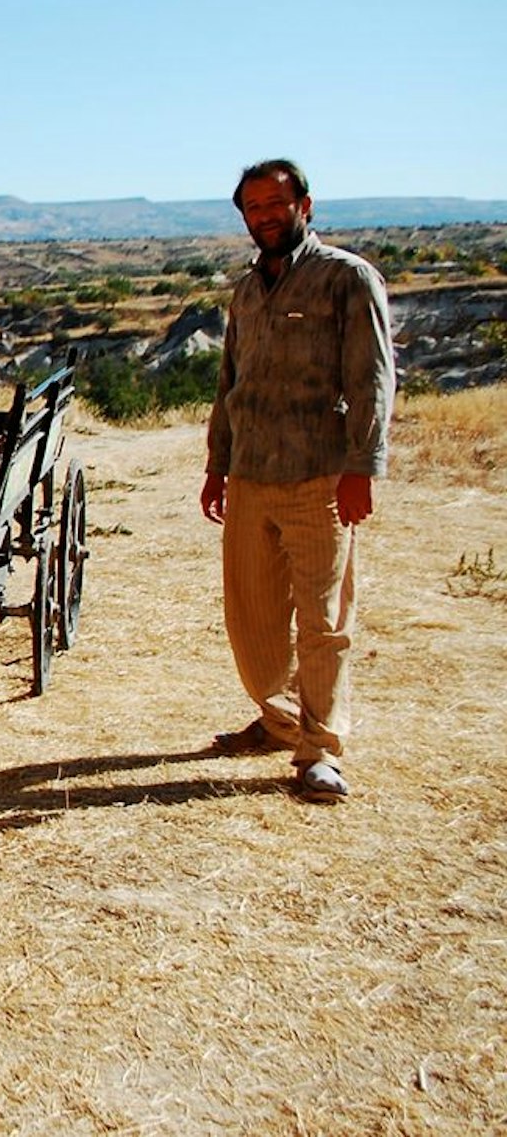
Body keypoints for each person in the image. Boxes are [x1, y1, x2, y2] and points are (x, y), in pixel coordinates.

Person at [200, 158, 394, 804]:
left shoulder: (345, 278)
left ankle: (320, 751)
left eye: (275, 204)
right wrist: (215, 466)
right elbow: (230, 383)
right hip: (251, 472)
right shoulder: (247, 291)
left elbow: (370, 379)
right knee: (251, 620)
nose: (265, 216)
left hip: (319, 474)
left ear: (304, 206)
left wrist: (361, 468)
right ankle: (280, 718)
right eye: (253, 207)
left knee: (322, 620)